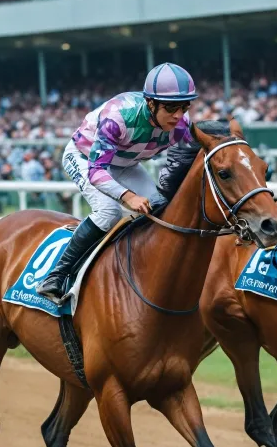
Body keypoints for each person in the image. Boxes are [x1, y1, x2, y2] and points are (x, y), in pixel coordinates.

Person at [35, 63, 198, 304]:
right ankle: (56, 275)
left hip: (126, 164)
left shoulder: (181, 125)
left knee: (162, 209)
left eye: (184, 106)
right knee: (108, 211)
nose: (178, 115)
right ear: (150, 103)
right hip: (85, 158)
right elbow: (97, 171)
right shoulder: (118, 117)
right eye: (171, 107)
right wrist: (129, 197)